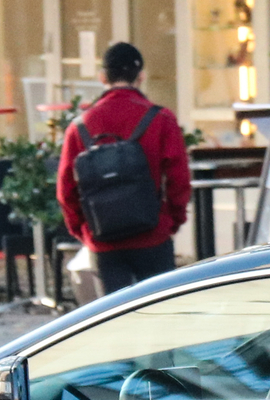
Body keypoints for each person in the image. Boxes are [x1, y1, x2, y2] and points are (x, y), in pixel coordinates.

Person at [56, 41, 190, 293]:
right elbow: (179, 179)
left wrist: (84, 231)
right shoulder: (161, 119)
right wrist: (171, 222)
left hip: (104, 242)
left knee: (113, 321)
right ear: (141, 77)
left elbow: (65, 189)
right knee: (162, 315)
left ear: (102, 77)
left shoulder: (79, 127)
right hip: (153, 235)